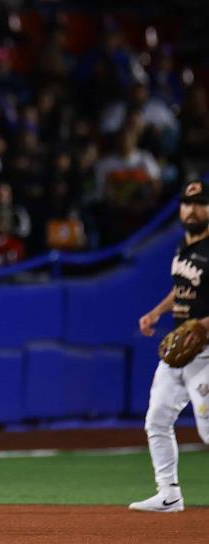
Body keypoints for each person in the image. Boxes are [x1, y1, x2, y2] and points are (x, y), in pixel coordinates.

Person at [132, 179, 209, 512]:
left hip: (206, 351)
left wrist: (204, 324)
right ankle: (169, 493)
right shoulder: (183, 247)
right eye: (187, 204)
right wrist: (156, 312)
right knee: (157, 419)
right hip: (178, 352)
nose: (192, 209)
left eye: (200, 204)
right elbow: (180, 289)